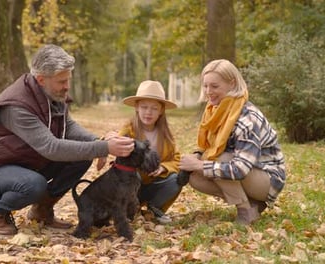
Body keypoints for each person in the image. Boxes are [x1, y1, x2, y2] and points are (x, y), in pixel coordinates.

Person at [0, 44, 135, 239]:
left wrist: (99, 140)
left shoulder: (52, 94)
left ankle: (42, 210)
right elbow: (50, 147)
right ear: (41, 79)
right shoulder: (16, 105)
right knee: (34, 185)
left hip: (27, 161)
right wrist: (103, 147)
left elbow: (69, 127)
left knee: (81, 157)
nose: (67, 86)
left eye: (68, 80)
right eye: (61, 81)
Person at [178, 59, 286, 225]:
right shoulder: (215, 110)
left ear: (232, 83)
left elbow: (240, 169)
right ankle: (252, 204)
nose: (208, 91)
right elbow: (208, 147)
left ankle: (246, 210)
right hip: (245, 170)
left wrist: (199, 165)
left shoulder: (247, 117)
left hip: (267, 179)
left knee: (217, 161)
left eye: (214, 86)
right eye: (206, 86)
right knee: (195, 177)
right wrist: (195, 158)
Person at [120, 80, 182, 224]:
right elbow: (117, 147)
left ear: (161, 111)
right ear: (136, 107)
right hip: (132, 186)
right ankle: (130, 209)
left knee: (178, 178)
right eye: (144, 107)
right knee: (131, 174)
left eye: (154, 108)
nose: (148, 112)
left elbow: (177, 159)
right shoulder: (129, 130)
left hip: (154, 184)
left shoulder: (165, 135)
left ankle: (154, 208)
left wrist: (163, 167)